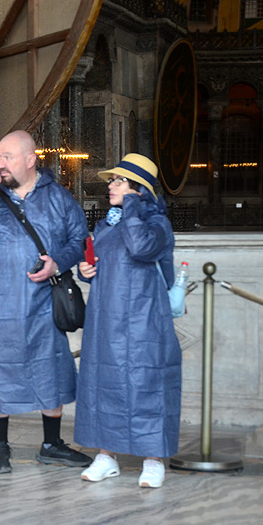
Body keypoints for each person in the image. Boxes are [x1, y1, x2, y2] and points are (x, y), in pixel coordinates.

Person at [0, 130, 93, 473]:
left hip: (44, 304)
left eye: (8, 158)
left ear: (31, 160)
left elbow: (79, 239)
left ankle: (52, 444)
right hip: (2, 305)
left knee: (50, 370)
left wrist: (57, 262)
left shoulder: (59, 198)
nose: (0, 164)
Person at [74, 153, 182, 488]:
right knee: (104, 384)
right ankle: (107, 456)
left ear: (138, 189)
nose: (110, 185)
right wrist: (86, 271)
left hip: (144, 319)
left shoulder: (157, 224)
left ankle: (153, 460)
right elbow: (103, 264)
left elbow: (140, 248)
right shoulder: (107, 223)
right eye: (112, 180)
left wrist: (134, 207)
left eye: (119, 180)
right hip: (107, 319)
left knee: (147, 385)